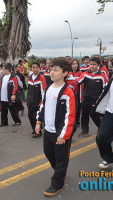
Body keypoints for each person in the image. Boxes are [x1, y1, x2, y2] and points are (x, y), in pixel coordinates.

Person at [35, 58, 76, 197]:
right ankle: (60, 171)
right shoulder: (48, 88)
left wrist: (63, 135)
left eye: (55, 70)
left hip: (61, 133)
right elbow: (42, 105)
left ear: (65, 73)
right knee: (49, 153)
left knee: (61, 158)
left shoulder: (68, 92)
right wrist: (38, 122)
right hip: (49, 131)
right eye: (51, 69)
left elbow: (70, 116)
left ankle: (57, 183)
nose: (51, 72)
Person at [77, 57, 108, 137]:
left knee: (94, 114)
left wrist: (100, 99)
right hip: (85, 98)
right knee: (84, 115)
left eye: (94, 64)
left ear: (98, 65)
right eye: (90, 64)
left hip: (95, 99)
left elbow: (105, 88)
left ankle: (101, 128)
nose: (92, 66)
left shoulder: (102, 75)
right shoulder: (85, 74)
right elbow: (77, 82)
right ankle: (85, 131)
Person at [27, 62, 46, 138]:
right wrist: (27, 99)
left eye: (36, 67)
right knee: (30, 115)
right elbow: (29, 89)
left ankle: (38, 131)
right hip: (30, 101)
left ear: (39, 68)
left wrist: (41, 101)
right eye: (33, 67)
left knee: (36, 116)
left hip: (37, 101)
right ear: (31, 68)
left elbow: (43, 90)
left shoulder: (41, 77)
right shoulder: (30, 77)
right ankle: (34, 128)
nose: (35, 69)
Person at [70, 59, 83, 125]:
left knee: (77, 107)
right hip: (70, 93)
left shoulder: (80, 73)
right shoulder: (69, 73)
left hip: (78, 93)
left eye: (76, 64)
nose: (75, 65)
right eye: (73, 64)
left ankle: (77, 121)